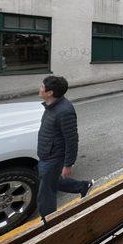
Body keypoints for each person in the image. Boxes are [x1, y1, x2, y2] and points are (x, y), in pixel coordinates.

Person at [37, 76, 93, 222]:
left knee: (46, 193)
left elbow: (72, 139)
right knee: (51, 181)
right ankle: (83, 186)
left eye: (42, 87)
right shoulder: (51, 105)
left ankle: (48, 222)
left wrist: (68, 164)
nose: (40, 88)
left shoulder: (64, 111)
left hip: (53, 158)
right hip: (46, 155)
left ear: (50, 93)